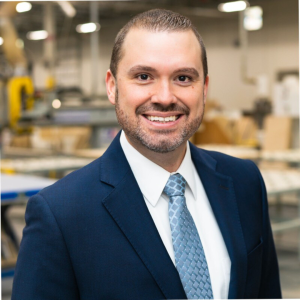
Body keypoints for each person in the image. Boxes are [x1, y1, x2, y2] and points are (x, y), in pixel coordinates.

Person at [12, 9, 281, 299]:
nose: (165, 97)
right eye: (143, 76)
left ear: (204, 88)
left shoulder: (244, 182)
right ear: (112, 87)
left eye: (183, 77)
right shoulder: (60, 214)